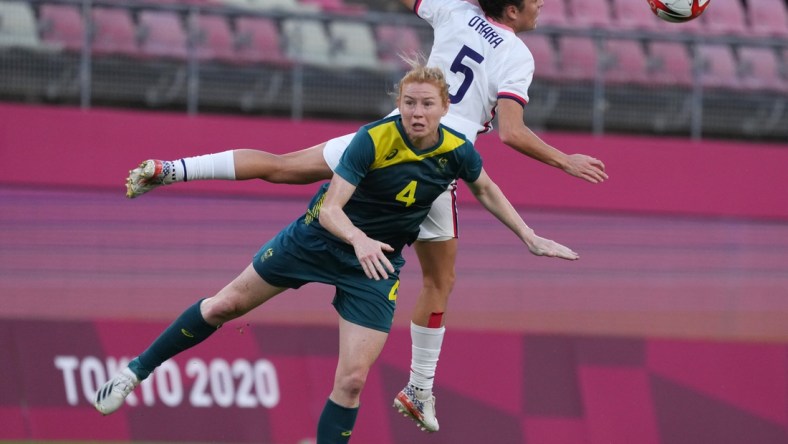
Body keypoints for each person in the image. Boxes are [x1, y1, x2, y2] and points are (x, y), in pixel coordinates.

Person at [123, 0, 607, 433]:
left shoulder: (455, 7)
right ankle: (419, 388)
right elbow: (511, 132)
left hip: (387, 136)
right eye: (537, 0)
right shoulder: (518, 53)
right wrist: (564, 164)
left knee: (281, 166)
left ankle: (173, 168)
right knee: (440, 281)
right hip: (439, 157)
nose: (544, 5)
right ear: (515, 11)